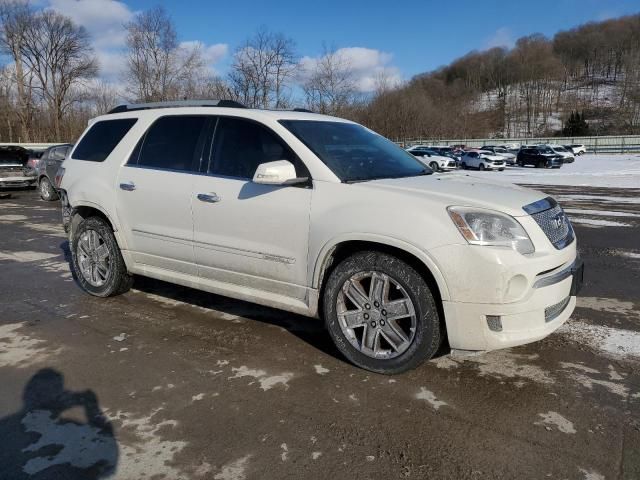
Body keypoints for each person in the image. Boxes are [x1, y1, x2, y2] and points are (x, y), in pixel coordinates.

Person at [0, 368, 118, 479]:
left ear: (26, 396)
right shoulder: (73, 432)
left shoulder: (4, 428)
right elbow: (107, 457)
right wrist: (93, 409)